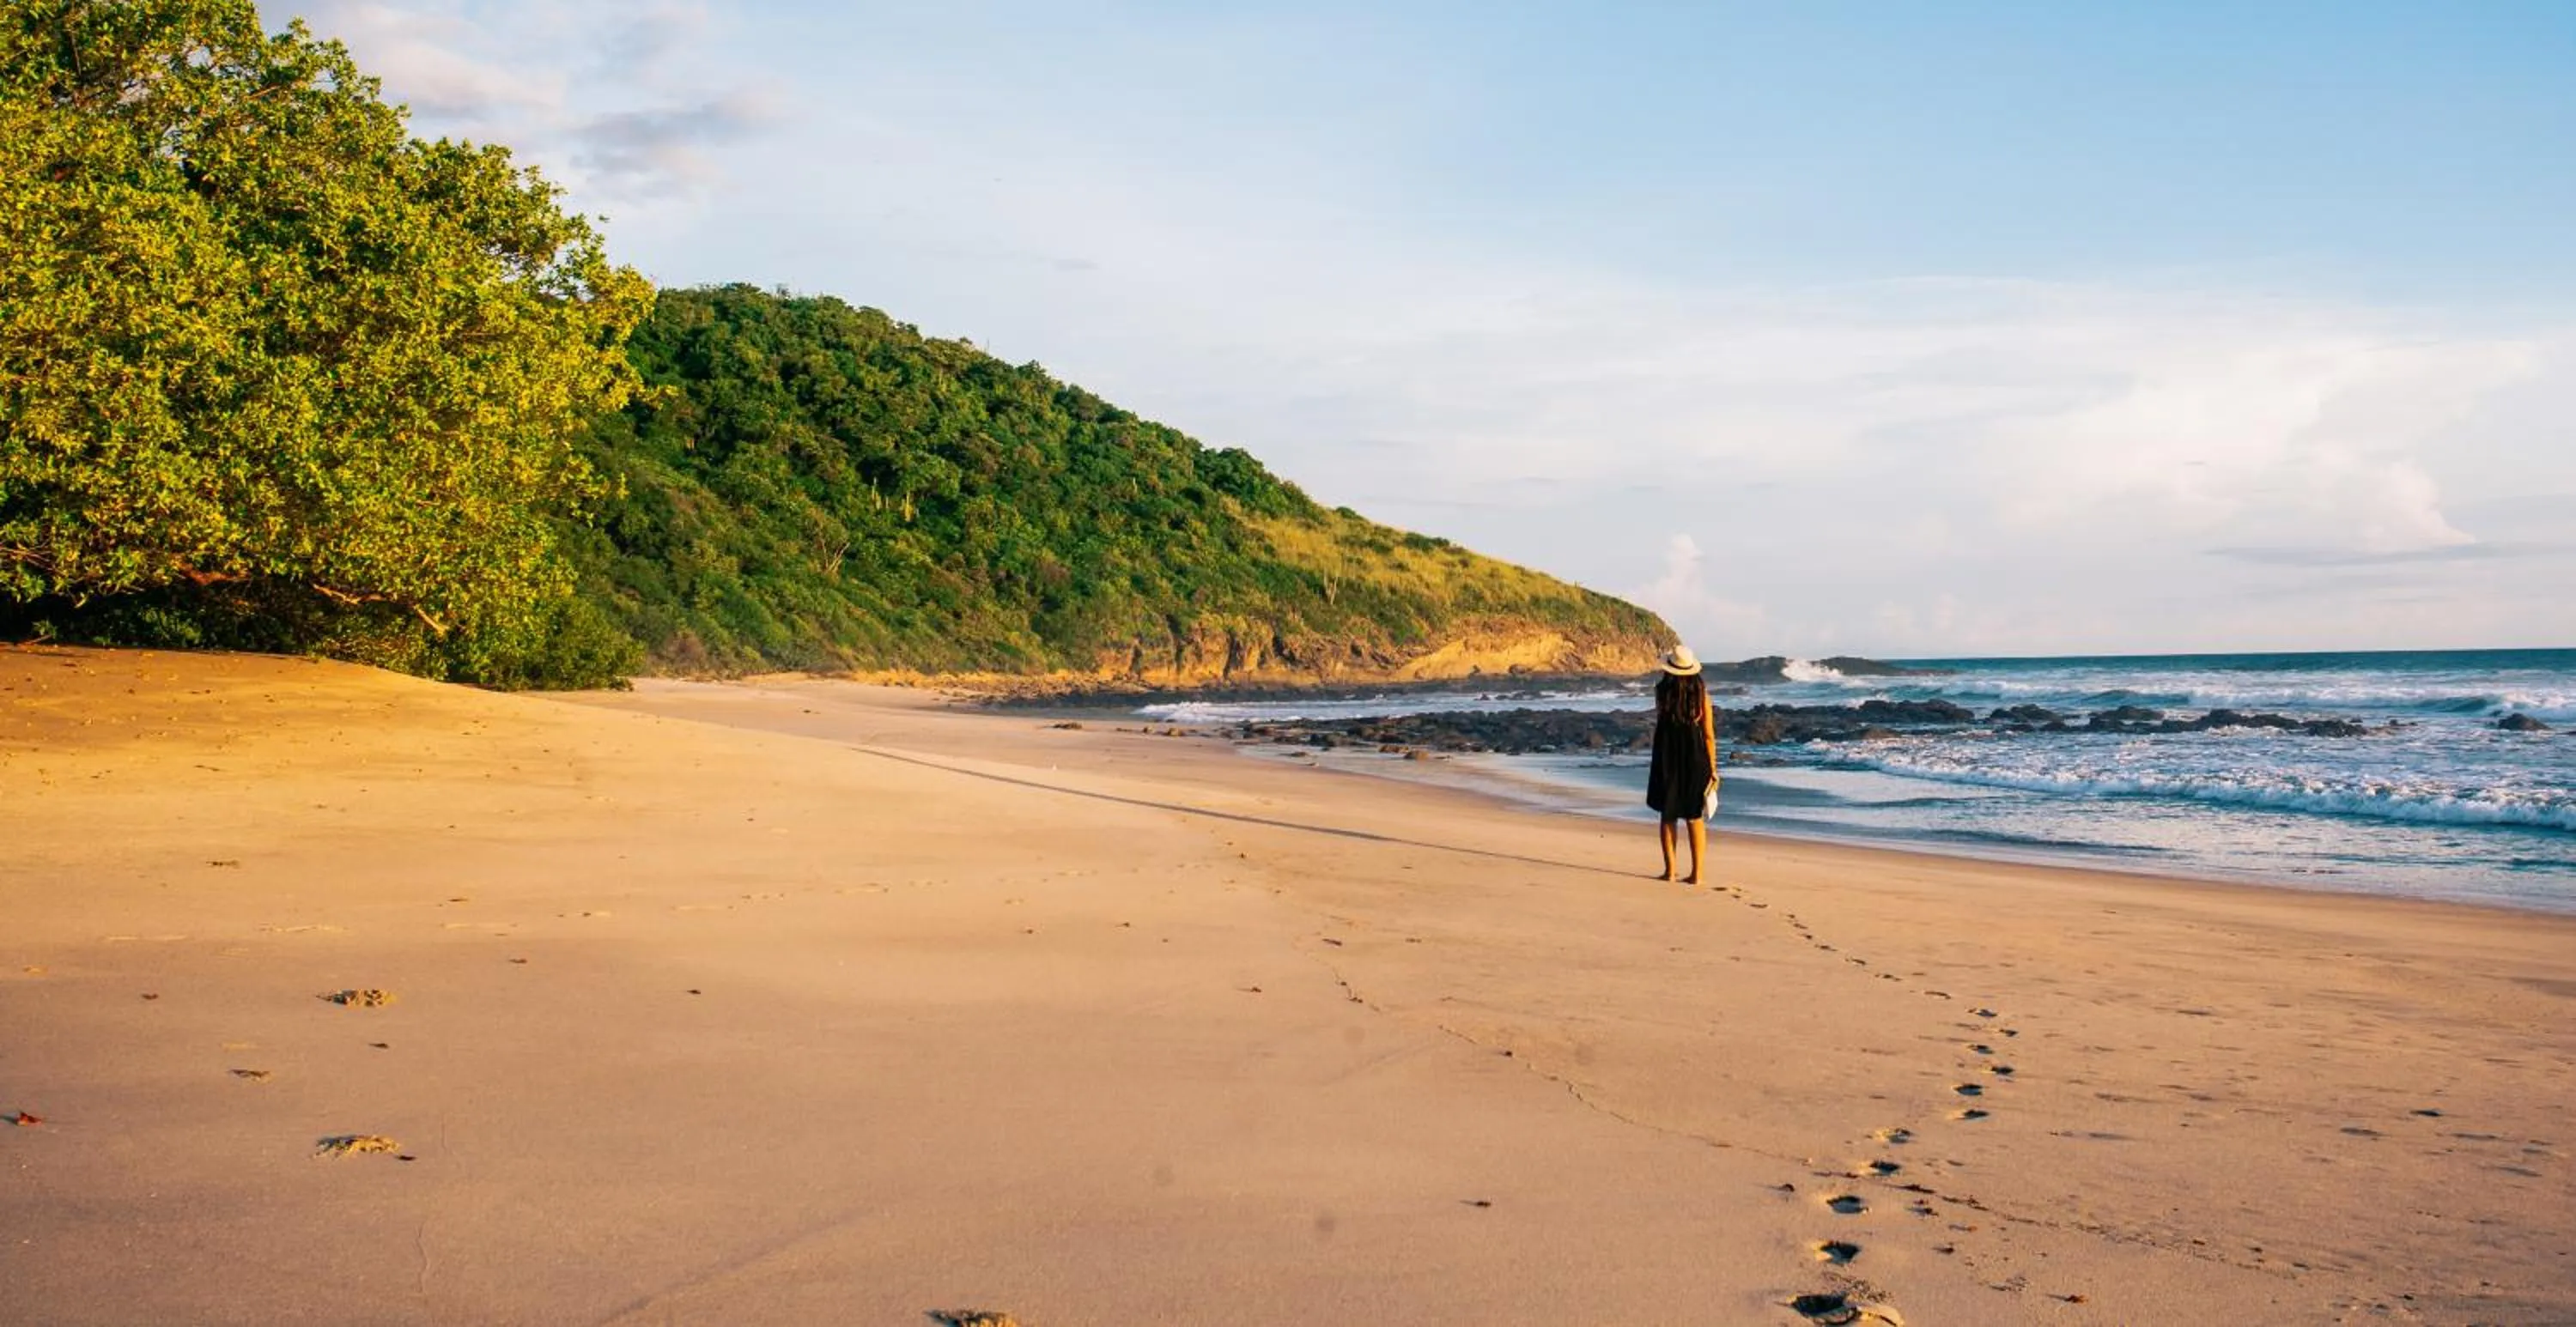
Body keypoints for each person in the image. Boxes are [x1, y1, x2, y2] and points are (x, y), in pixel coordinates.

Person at [1645, 645, 1719, 883]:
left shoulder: (1662, 692)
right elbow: (1708, 734)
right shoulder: (1701, 694)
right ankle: (1697, 874)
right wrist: (1714, 769)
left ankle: (1670, 871)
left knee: (1668, 815)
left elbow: (1662, 723)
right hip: (1694, 755)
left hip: (1666, 753)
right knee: (1694, 815)